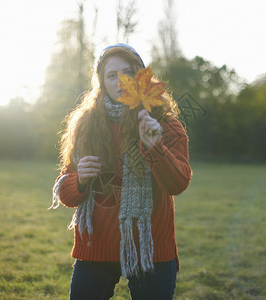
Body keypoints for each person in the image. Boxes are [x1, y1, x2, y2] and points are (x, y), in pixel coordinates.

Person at [50, 43, 192, 300]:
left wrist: (155, 147)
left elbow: (178, 183)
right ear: (101, 82)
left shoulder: (164, 123)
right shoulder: (86, 124)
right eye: (111, 75)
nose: (120, 81)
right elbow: (67, 194)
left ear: (140, 75)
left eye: (127, 72)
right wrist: (79, 179)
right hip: (96, 247)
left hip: (151, 249)